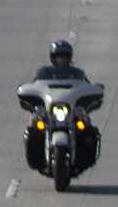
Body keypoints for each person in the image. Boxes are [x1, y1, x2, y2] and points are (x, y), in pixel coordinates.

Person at [23, 40, 99, 174]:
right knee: (35, 121)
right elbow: (34, 86)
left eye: (65, 56)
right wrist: (27, 91)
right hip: (49, 108)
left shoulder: (77, 73)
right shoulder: (44, 72)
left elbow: (88, 86)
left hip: (71, 108)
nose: (62, 59)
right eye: (59, 56)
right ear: (53, 57)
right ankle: (37, 153)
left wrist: (95, 89)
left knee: (86, 124)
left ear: (70, 57)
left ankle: (83, 155)